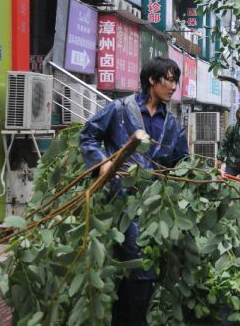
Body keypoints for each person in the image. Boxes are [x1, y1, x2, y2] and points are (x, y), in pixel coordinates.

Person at [79, 57, 189, 326]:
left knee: (144, 270)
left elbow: (182, 160)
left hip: (157, 205)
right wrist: (102, 163)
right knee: (138, 267)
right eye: (170, 79)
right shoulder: (120, 109)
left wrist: (206, 172)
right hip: (123, 201)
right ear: (152, 80)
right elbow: (88, 134)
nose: (174, 86)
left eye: (176, 81)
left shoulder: (171, 123)